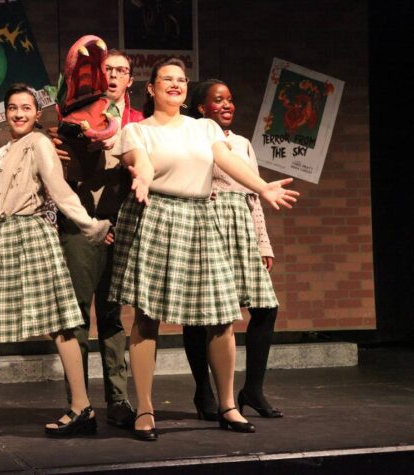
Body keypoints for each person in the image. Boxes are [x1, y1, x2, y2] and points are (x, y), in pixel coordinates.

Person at [109, 58, 298, 441]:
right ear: (151, 87)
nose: (176, 85)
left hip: (200, 216)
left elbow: (226, 159)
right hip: (157, 214)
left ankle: (228, 405)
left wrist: (261, 187)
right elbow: (139, 163)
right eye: (167, 79)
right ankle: (145, 408)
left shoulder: (205, 127)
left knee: (222, 314)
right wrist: (143, 181)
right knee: (147, 317)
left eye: (181, 79)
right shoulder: (136, 131)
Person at [0, 83, 111, 438]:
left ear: (36, 114)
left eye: (26, 108)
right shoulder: (0, 154)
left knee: (60, 321)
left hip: (33, 234)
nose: (19, 114)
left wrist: (90, 226)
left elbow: (59, 190)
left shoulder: (38, 144)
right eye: (13, 108)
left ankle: (82, 408)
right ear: (6, 113)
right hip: (2, 238)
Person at [50, 49, 144, 428]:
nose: (114, 76)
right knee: (75, 314)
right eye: (108, 69)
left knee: (112, 316)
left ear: (131, 80)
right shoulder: (72, 115)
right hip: (81, 223)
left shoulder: (140, 121)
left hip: (122, 224)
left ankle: (118, 401)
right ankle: (79, 402)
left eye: (122, 70)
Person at [184, 79, 284, 421]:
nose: (227, 105)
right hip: (207, 223)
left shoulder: (241, 143)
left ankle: (252, 389)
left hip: (241, 225)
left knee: (265, 307)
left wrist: (263, 241)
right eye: (218, 100)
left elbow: (253, 193)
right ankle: (204, 390)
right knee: (203, 313)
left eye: (230, 99)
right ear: (201, 108)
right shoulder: (192, 137)